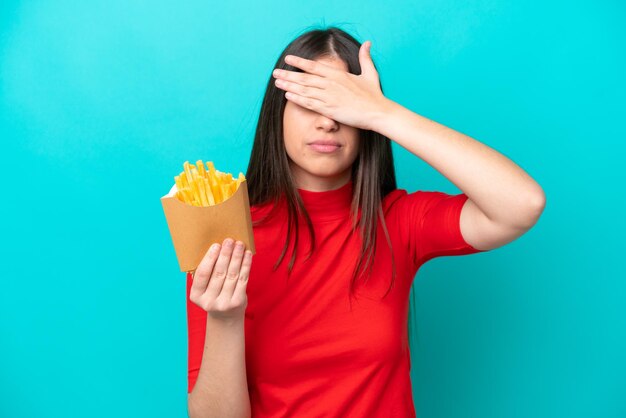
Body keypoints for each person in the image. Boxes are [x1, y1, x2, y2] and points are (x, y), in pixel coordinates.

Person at [185, 27, 546, 418]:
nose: (327, 122)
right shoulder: (227, 235)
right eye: (310, 101)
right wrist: (224, 319)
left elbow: (522, 203)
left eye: (340, 105)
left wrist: (383, 112)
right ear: (278, 115)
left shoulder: (398, 222)